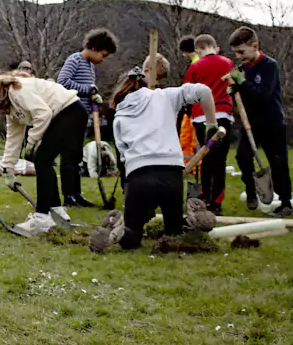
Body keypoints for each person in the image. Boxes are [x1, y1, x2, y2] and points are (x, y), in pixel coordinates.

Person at [90, 66, 218, 252]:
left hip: (139, 174)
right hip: (172, 172)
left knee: (132, 234)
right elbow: (204, 91)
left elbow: (123, 156)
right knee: (173, 233)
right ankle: (192, 221)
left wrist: (136, 200)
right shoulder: (165, 96)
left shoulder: (120, 116)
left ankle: (117, 232)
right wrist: (211, 125)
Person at [0, 69, 88, 236]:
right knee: (44, 161)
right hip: (64, 115)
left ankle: (42, 217)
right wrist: (8, 169)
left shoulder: (17, 92)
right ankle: (57, 212)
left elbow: (43, 114)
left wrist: (32, 141)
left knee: (42, 160)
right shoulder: (11, 110)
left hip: (70, 111)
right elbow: (13, 139)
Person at [228, 26, 293, 216]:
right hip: (251, 124)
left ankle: (285, 202)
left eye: (241, 52)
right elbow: (245, 96)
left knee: (278, 161)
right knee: (242, 156)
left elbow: (262, 95)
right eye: (235, 53)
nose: (238, 56)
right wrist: (234, 91)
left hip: (273, 122)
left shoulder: (269, 66)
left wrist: (242, 83)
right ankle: (251, 190)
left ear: (255, 46)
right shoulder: (242, 69)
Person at [56, 28, 118, 207]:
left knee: (77, 157)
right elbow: (63, 82)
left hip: (82, 116)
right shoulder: (75, 60)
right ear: (94, 48)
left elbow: (88, 89)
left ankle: (77, 194)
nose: (102, 60)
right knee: (68, 157)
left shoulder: (90, 66)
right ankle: (69, 196)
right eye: (102, 55)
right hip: (69, 114)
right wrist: (88, 90)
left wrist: (93, 97)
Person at [184, 34, 235, 213]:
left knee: (206, 155)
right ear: (216, 47)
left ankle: (205, 195)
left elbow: (187, 93)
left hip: (201, 116)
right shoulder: (228, 63)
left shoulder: (195, 66)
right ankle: (216, 202)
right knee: (220, 159)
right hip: (222, 113)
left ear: (198, 50)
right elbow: (234, 86)